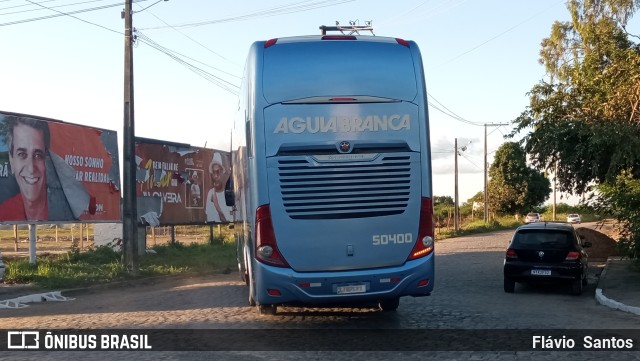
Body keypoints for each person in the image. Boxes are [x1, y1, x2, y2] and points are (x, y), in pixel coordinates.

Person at [0, 117, 50, 221]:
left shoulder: (64, 210)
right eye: (22, 154)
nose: (31, 168)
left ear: (47, 160)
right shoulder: (4, 213)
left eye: (38, 155)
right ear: (11, 160)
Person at [205, 152, 233, 223]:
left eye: (218, 172)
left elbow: (228, 224)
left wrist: (216, 205)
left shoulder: (229, 193)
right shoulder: (210, 193)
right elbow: (208, 218)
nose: (215, 176)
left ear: (223, 172)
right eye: (213, 172)